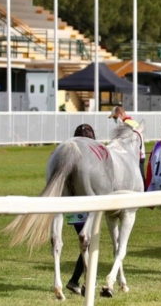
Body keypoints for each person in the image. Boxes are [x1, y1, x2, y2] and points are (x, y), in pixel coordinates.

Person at [65, 123, 96, 296]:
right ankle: (78, 280)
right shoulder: (92, 156)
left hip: (71, 206)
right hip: (86, 207)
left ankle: (78, 279)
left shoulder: (69, 152)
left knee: (85, 242)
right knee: (88, 242)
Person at [108, 105, 146, 185]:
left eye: (115, 118)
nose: (115, 120)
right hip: (140, 155)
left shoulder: (125, 125)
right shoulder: (133, 122)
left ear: (120, 115)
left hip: (132, 157)